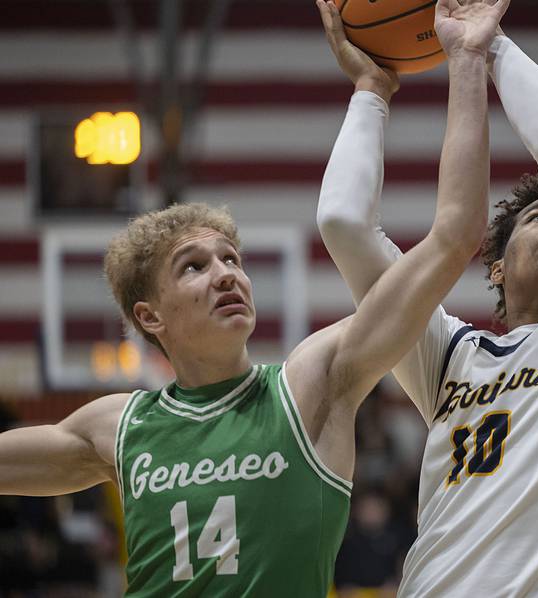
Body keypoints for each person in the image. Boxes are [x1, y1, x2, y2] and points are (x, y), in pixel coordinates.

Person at [0, 0, 510, 594]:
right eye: (194, 267)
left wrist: (454, 65)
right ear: (149, 315)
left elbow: (453, 237)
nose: (226, 275)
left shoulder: (313, 384)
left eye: (231, 260)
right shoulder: (118, 425)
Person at [317, 8, 538, 598]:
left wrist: (491, 43)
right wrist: (371, 92)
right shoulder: (450, 358)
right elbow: (343, 224)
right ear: (498, 267)